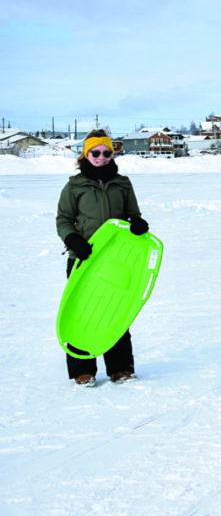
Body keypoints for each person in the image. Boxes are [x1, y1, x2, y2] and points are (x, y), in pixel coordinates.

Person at [56, 130, 150, 386]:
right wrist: (73, 240)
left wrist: (138, 223)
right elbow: (63, 219)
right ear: (86, 154)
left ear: (112, 153)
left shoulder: (122, 183)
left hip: (115, 260)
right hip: (83, 259)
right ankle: (82, 371)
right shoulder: (74, 185)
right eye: (95, 152)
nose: (101, 157)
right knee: (83, 312)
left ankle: (120, 369)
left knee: (116, 312)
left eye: (106, 152)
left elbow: (133, 214)